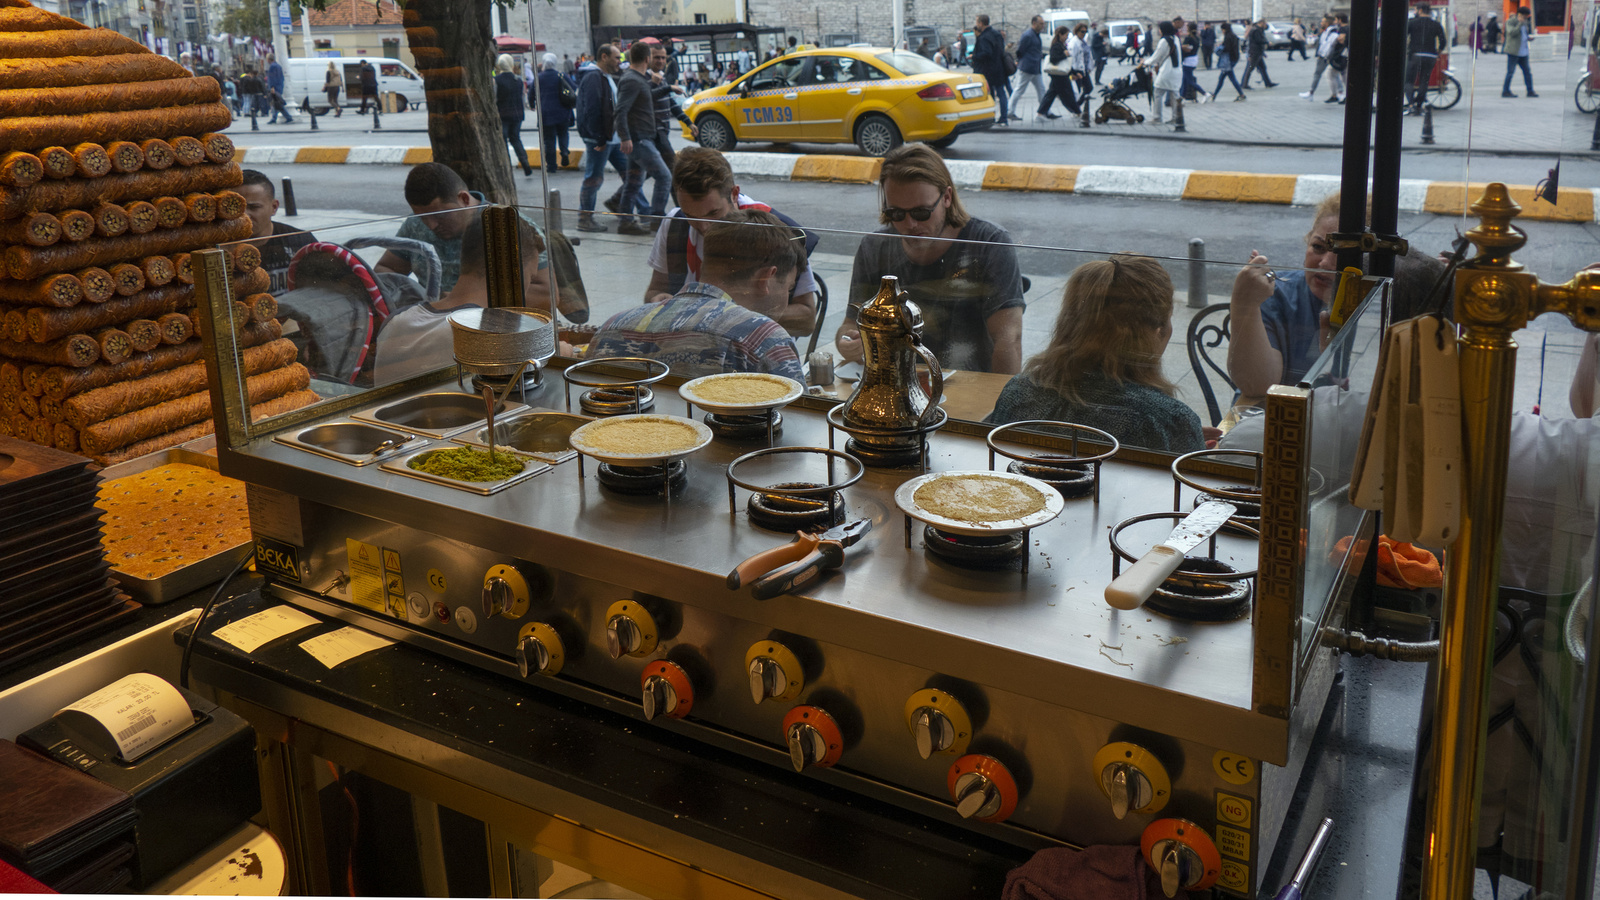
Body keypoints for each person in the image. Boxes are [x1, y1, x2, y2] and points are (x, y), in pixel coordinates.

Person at [984, 254, 1205, 453]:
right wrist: (1183, 436)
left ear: (1071, 323)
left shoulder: (1017, 394)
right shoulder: (1165, 422)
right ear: (1158, 332)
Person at [836, 143, 1024, 374]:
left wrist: (997, 403)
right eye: (895, 213)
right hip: (894, 383)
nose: (909, 224)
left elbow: (1008, 340)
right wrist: (848, 342)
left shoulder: (988, 243)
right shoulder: (874, 247)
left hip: (968, 383)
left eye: (921, 212)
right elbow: (849, 324)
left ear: (946, 197)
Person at [587, 210, 806, 382]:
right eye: (788, 288)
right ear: (766, 278)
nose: (787, 298)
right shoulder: (763, 339)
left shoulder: (611, 328)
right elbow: (795, 429)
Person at [642, 147, 819, 336]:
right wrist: (658, 299)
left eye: (713, 213)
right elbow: (654, 290)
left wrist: (726, 311)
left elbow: (806, 321)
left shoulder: (777, 231)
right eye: (690, 215)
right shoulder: (674, 223)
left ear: (734, 194)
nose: (704, 227)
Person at [374, 210, 551, 384]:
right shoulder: (489, 337)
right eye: (530, 277)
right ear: (512, 275)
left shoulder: (395, 322)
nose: (526, 288)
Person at [374, 162, 550, 297]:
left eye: (440, 216)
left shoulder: (508, 227)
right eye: (422, 217)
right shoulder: (415, 226)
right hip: (431, 319)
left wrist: (464, 303)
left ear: (464, 199)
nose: (431, 225)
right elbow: (386, 268)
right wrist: (418, 297)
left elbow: (546, 294)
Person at [1226, 193, 1341, 397]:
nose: (1324, 263)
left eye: (1342, 255)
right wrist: (1245, 305)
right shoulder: (1275, 293)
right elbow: (1257, 386)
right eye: (1318, 247)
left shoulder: (1378, 303)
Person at [614, 41, 668, 235]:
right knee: (664, 176)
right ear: (647, 58)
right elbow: (620, 111)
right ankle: (657, 221)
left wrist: (663, 87)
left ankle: (625, 222)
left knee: (634, 182)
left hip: (640, 138)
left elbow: (643, 98)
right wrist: (625, 137)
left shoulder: (636, 78)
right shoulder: (632, 80)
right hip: (639, 140)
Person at [575, 44, 629, 233]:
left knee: (630, 173)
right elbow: (592, 110)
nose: (619, 62)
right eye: (616, 58)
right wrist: (599, 139)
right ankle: (584, 218)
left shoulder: (605, 77)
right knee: (593, 178)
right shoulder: (593, 77)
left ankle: (620, 206)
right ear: (604, 57)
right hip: (601, 140)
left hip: (611, 138)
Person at [237, 169, 318, 295]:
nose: (244, 215)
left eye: (253, 207)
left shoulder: (300, 241)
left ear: (274, 207)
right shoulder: (219, 250)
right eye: (237, 207)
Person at [493, 54, 534, 178]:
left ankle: (507, 166)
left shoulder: (496, 80)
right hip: (517, 115)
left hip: (503, 115)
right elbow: (522, 98)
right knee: (516, 138)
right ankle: (525, 162)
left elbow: (494, 98)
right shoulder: (518, 80)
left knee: (503, 141)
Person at [1405, 3, 1447, 114]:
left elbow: (1403, 36)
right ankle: (1419, 105)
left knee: (1409, 81)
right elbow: (1443, 41)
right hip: (1430, 56)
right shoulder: (1436, 24)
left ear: (1420, 10)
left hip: (1415, 55)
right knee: (1424, 80)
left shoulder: (1412, 23)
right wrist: (1438, 51)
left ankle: (1411, 104)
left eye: (1415, 10)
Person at [536, 53, 574, 173]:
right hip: (563, 112)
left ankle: (551, 165)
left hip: (546, 114)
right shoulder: (561, 75)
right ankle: (564, 152)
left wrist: (533, 104)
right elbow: (573, 87)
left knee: (549, 140)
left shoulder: (539, 77)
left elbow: (532, 93)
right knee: (563, 134)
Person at [970, 14, 1010, 126]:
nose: (976, 24)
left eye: (977, 22)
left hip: (988, 69)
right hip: (1000, 67)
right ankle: (1003, 118)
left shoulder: (984, 37)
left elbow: (987, 53)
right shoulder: (997, 34)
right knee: (1001, 92)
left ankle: (990, 116)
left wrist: (974, 56)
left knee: (990, 94)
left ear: (981, 23)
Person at [1037, 26, 1077, 118]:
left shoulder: (1062, 45)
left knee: (1052, 94)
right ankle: (1077, 112)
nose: (1067, 37)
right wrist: (1064, 54)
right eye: (1066, 35)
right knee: (1067, 94)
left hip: (1060, 74)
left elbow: (1066, 63)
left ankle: (1040, 113)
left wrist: (1073, 73)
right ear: (1060, 34)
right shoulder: (1056, 45)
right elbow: (1054, 59)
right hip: (1058, 74)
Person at [1012, 16, 1047, 120]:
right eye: (1041, 23)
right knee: (1019, 90)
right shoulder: (1028, 35)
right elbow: (1020, 50)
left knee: (1041, 89)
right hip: (1028, 67)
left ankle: (1044, 110)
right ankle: (1010, 111)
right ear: (1034, 23)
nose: (1043, 26)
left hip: (1035, 67)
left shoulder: (1035, 35)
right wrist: (1022, 60)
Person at [1148, 21, 1182, 123]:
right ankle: (1176, 117)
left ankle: (1157, 117)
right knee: (1174, 95)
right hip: (1177, 71)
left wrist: (1145, 62)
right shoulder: (1175, 38)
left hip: (1166, 71)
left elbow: (1157, 56)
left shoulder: (1164, 41)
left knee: (1158, 92)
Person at [1503, 6, 1538, 97]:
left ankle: (1530, 91)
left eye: (1527, 17)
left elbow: (1523, 34)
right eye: (1525, 16)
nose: (1526, 18)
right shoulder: (1510, 21)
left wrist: (1528, 38)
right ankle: (1505, 91)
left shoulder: (1525, 23)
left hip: (1523, 52)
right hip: (1514, 52)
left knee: (1527, 72)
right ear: (1520, 15)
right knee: (1510, 72)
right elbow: (1511, 33)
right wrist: (1519, 24)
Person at [1301, 15, 1338, 99]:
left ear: (1327, 23)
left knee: (1318, 74)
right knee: (1334, 75)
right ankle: (1338, 93)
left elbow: (1328, 45)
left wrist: (1323, 55)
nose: (1321, 23)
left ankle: (1311, 92)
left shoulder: (1332, 33)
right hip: (1323, 56)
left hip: (1324, 57)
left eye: (1323, 21)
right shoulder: (1325, 32)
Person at [1213, 23, 1248, 100]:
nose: (1222, 31)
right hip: (1234, 58)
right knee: (1226, 77)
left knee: (1226, 78)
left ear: (1224, 29)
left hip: (1228, 60)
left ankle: (1215, 94)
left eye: (1222, 29)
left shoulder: (1228, 37)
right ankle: (1215, 94)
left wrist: (1220, 47)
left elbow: (1227, 48)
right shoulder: (1233, 35)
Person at [1240, 20, 1277, 88]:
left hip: (1258, 52)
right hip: (1254, 53)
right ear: (1261, 23)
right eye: (1265, 23)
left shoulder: (1258, 29)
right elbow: (1258, 40)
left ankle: (1268, 83)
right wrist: (1267, 42)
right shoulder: (1256, 30)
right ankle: (1244, 84)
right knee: (1250, 68)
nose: (1265, 24)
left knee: (1263, 68)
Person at [1179, 20, 1209, 102]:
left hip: (1188, 61)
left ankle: (1204, 93)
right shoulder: (1196, 38)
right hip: (1193, 60)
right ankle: (1181, 97)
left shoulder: (1188, 38)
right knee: (1185, 80)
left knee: (1189, 81)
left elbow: (1184, 48)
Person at [265, 54, 295, 123]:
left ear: (269, 59)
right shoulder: (278, 66)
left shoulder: (273, 66)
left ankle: (286, 117)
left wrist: (272, 87)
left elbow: (273, 78)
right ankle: (275, 118)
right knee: (276, 103)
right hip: (279, 87)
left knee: (277, 103)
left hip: (275, 88)